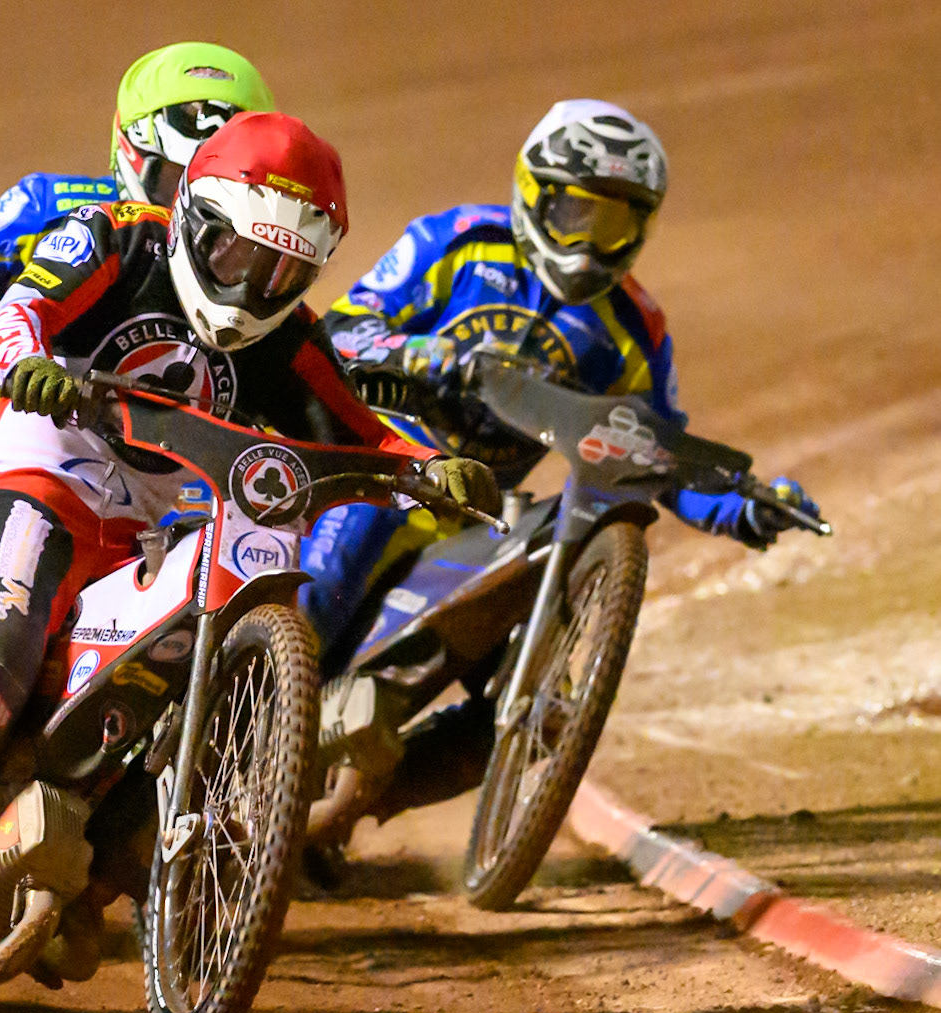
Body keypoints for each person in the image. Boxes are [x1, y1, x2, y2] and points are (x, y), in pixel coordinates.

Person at [0, 111, 498, 1013]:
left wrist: (428, 471)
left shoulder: (291, 340)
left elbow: (360, 433)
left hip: (151, 528)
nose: (256, 286)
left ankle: (70, 881)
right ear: (195, 218)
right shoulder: (114, 237)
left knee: (153, 704)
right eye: (238, 256)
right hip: (38, 475)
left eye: (286, 270)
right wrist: (27, 361)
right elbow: (19, 313)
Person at [305, 98, 820, 829]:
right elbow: (341, 330)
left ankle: (339, 820)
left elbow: (656, 451)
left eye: (616, 222)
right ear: (534, 194)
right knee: (322, 582)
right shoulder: (455, 244)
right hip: (381, 466)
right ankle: (236, 734)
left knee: (549, 711)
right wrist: (419, 353)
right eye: (580, 214)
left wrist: (742, 505)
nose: (592, 243)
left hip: (476, 512)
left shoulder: (633, 330)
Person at [0, 42, 275, 554]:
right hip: (2, 431)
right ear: (132, 152)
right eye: (173, 177)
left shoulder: (252, 255)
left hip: (165, 460)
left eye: (212, 186)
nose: (188, 199)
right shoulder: (52, 205)